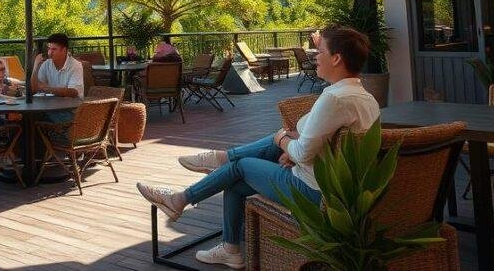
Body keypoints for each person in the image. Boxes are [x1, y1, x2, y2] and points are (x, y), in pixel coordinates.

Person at [135, 25, 380, 269]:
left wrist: (282, 142)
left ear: (336, 58)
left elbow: (304, 151)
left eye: (320, 51)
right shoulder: (366, 99)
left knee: (241, 165)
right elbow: (327, 146)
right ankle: (229, 248)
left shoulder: (334, 99)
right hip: (337, 189)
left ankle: (189, 191)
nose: (316, 56)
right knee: (234, 179)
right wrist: (290, 147)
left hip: (314, 193)